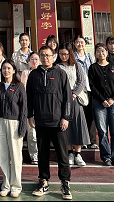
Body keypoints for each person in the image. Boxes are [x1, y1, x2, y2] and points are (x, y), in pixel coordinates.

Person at [26, 46, 73, 200]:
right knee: (42, 153)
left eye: (48, 55)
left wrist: (66, 117)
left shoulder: (60, 73)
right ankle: (43, 181)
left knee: (62, 154)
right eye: (42, 55)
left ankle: (65, 183)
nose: (45, 58)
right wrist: (30, 115)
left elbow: (67, 97)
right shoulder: (34, 75)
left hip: (58, 122)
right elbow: (29, 97)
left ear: (53, 57)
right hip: (40, 121)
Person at [0, 60, 27, 198]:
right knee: (3, 156)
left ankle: (16, 186)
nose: (6, 71)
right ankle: (6, 185)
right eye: (4, 68)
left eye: (8, 68)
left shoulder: (19, 86)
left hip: (14, 123)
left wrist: (22, 128)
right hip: (0, 122)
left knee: (16, 156)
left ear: (14, 70)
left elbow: (24, 109)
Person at [88, 43, 114, 167]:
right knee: (102, 131)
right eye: (98, 51)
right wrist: (102, 99)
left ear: (107, 53)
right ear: (95, 54)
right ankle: (106, 156)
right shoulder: (93, 68)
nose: (101, 53)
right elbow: (92, 86)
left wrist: (113, 99)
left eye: (103, 51)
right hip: (99, 102)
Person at [57, 43, 90, 168]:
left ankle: (78, 154)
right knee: (66, 127)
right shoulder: (57, 67)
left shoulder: (76, 65)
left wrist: (75, 93)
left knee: (77, 125)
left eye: (66, 54)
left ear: (70, 54)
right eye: (61, 54)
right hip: (62, 99)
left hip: (75, 99)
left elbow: (82, 81)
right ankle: (70, 152)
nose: (63, 56)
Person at [74, 35, 97, 149]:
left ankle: (92, 141)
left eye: (82, 42)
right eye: (77, 42)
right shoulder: (73, 58)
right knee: (81, 116)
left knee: (91, 116)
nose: (80, 44)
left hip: (90, 89)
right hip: (79, 90)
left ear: (85, 44)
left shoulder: (90, 57)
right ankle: (82, 140)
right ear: (74, 44)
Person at [20, 51, 41, 165]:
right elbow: (23, 88)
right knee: (32, 132)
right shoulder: (25, 72)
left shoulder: (43, 72)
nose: (34, 61)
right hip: (29, 105)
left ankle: (42, 154)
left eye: (36, 59)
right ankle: (34, 155)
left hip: (42, 105)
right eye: (32, 59)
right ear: (28, 61)